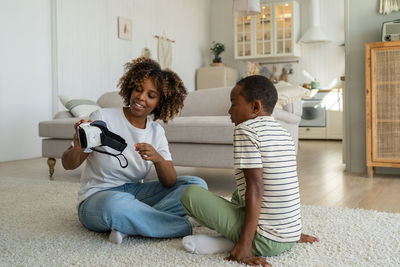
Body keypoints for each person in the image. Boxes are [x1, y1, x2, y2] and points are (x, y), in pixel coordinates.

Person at [62, 57, 207, 244]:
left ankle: (130, 224)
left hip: (135, 195)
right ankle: (179, 226)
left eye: (151, 95)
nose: (141, 97)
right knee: (114, 205)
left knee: (196, 185)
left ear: (160, 102)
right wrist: (78, 147)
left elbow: (170, 181)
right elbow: (68, 164)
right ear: (130, 88)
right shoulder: (102, 117)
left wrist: (157, 159)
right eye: (138, 89)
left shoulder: (156, 132)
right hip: (98, 198)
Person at [180, 75, 319, 267]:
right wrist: (289, 232)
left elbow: (257, 189)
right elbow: (284, 185)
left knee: (190, 194)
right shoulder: (285, 134)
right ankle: (274, 236)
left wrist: (245, 245)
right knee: (239, 193)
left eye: (234, 104)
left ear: (255, 107)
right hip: (288, 235)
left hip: (266, 240)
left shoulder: (246, 130)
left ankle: (237, 243)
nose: (229, 111)